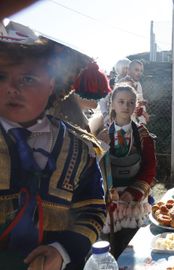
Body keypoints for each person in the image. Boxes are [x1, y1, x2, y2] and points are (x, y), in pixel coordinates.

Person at [0, 22, 106, 269]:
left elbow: (92, 209)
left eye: (28, 78)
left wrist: (62, 251)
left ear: (51, 85)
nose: (12, 89)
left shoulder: (80, 149)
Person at [100, 85, 156, 258]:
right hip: (112, 200)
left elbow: (150, 167)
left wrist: (132, 193)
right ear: (113, 104)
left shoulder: (142, 134)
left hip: (135, 201)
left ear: (135, 106)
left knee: (133, 248)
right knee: (111, 248)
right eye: (121, 102)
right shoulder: (102, 134)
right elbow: (97, 167)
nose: (126, 106)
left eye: (130, 102)